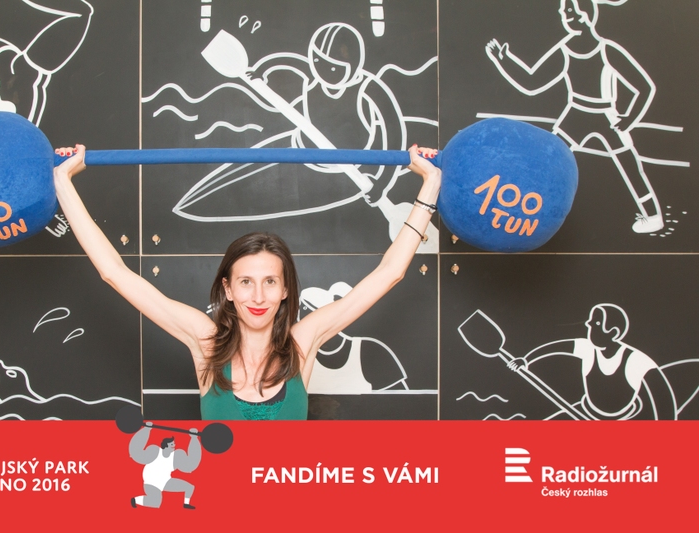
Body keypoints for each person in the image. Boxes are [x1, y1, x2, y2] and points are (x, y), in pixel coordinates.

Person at [53, 143, 440, 420]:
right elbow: (114, 272)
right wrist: (63, 181)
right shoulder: (205, 343)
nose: (258, 296)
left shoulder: (303, 344)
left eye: (270, 282)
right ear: (227, 289)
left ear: (285, 290)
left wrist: (430, 183)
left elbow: (390, 273)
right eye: (245, 282)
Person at [486, 0, 664, 233]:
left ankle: (653, 216)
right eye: (563, 10)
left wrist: (629, 118)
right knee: (545, 160)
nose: (564, 14)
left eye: (569, 9)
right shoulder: (566, 50)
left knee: (628, 163)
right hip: (576, 113)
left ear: (585, 13)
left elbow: (643, 88)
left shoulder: (606, 50)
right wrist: (504, 60)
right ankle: (522, 211)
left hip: (605, 114)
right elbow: (532, 83)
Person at [508, 303, 677, 420]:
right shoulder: (587, 348)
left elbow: (663, 397)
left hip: (624, 418)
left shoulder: (635, 360)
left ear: (613, 332)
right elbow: (556, 347)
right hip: (586, 412)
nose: (589, 326)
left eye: (596, 323)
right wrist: (526, 360)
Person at [129, 424, 201, 510]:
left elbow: (191, 464)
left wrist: (194, 438)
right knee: (155, 503)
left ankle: (186, 504)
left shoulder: (175, 457)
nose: (174, 445)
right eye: (172, 444)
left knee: (189, 487)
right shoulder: (155, 452)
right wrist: (146, 430)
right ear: (166, 445)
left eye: (174, 444)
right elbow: (137, 452)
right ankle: (135, 500)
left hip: (165, 481)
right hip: (152, 481)